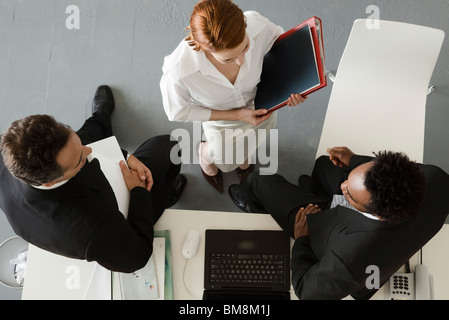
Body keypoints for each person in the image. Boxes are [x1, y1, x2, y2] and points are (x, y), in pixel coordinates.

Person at [0, 85, 187, 273]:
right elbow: (137, 258)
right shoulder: (90, 230)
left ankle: (100, 118)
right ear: (49, 182)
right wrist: (140, 191)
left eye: (78, 144)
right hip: (118, 211)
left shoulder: (11, 146)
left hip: (87, 176)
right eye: (80, 159)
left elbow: (83, 148)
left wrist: (126, 156)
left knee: (90, 133)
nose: (89, 151)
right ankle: (163, 195)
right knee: (168, 147)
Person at [228, 147, 449, 299]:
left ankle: (252, 203)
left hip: (327, 231)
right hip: (362, 226)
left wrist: (302, 239)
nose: (343, 185)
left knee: (259, 180)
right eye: (349, 180)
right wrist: (354, 161)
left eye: (349, 194)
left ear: (375, 211)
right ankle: (316, 191)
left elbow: (306, 291)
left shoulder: (347, 262)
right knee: (324, 164)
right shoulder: (436, 178)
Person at [160, 0, 307, 193]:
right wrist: (237, 116)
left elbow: (283, 46)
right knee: (222, 158)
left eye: (245, 47)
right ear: (203, 48)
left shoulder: (257, 25)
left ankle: (243, 158)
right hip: (220, 118)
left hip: (260, 105)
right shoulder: (180, 70)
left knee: (249, 145)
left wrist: (296, 86)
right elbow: (177, 112)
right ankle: (204, 153)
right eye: (229, 58)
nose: (240, 62)